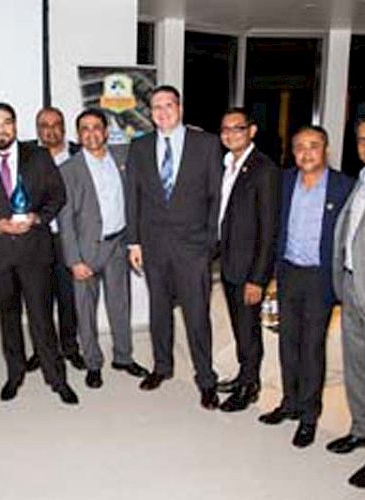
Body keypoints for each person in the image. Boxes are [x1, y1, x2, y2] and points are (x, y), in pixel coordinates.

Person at [0, 102, 78, 405]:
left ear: (15, 125)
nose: (0, 129)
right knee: (9, 319)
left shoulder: (38, 156)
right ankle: (15, 374)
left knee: (41, 318)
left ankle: (57, 378)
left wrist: (38, 217)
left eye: (6, 122)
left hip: (35, 252)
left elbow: (57, 195)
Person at [126, 85, 222, 409]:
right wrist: (133, 242)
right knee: (158, 311)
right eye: (156, 107)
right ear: (150, 113)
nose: (163, 111)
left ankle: (206, 379)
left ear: (180, 108)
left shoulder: (206, 144)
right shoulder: (138, 147)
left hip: (193, 247)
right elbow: (133, 198)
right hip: (153, 245)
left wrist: (209, 243)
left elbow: (215, 197)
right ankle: (162, 367)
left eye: (168, 105)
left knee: (197, 315)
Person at [259, 126, 354, 447]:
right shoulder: (284, 182)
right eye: (300, 147)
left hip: (320, 277)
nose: (306, 153)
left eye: (313, 146)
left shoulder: (344, 187)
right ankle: (289, 403)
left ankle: (309, 415)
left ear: (325, 149)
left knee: (312, 346)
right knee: (287, 341)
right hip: (288, 272)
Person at [58, 108, 148, 389]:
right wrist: (74, 260)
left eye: (96, 127)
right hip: (86, 251)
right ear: (78, 134)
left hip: (119, 243)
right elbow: (65, 219)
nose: (91, 134)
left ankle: (123, 356)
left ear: (106, 131)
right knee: (85, 310)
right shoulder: (69, 170)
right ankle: (93, 363)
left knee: (120, 305)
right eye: (84, 129)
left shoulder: (122, 157)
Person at [217, 108, 280, 412]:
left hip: (248, 269)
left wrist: (258, 278)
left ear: (251, 131)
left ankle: (250, 386)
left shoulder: (264, 169)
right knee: (240, 327)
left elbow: (269, 231)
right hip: (229, 264)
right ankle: (244, 374)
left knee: (249, 330)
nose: (230, 134)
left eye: (237, 128)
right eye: (225, 129)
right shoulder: (228, 164)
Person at [25, 106, 84, 372]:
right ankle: (42, 350)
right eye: (44, 125)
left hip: (70, 240)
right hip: (37, 240)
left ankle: (70, 347)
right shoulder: (25, 155)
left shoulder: (79, 154)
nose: (50, 130)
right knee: (40, 300)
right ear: (38, 130)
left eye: (56, 124)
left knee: (69, 298)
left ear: (64, 127)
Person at [327, 117, 365, 488]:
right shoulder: (361, 182)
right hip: (353, 286)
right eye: (361, 140)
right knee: (355, 366)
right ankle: (360, 429)